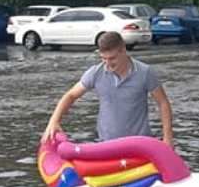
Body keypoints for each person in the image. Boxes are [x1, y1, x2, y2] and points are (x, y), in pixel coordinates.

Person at [42, 31, 174, 146]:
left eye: (112, 58)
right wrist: (54, 121)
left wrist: (167, 137)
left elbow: (163, 103)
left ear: (123, 50)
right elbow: (70, 96)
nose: (108, 63)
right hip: (106, 142)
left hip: (139, 142)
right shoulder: (95, 73)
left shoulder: (145, 72)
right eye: (104, 58)